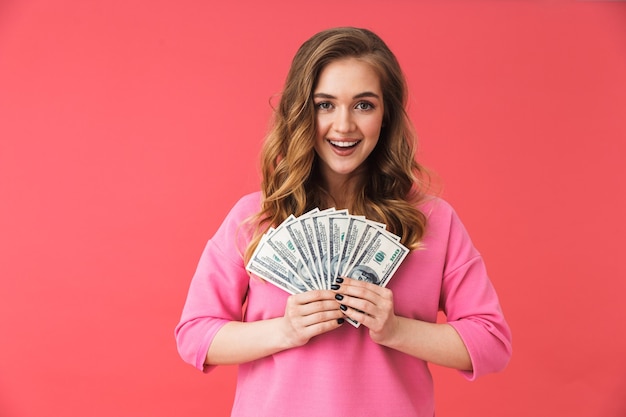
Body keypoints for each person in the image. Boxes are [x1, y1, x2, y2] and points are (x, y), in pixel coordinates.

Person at [175, 27, 512, 417]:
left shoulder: (433, 221)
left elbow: (491, 343)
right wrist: (284, 331)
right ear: (302, 111)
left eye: (364, 105)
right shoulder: (255, 219)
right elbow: (194, 336)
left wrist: (397, 330)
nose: (344, 125)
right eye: (325, 105)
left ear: (386, 115)